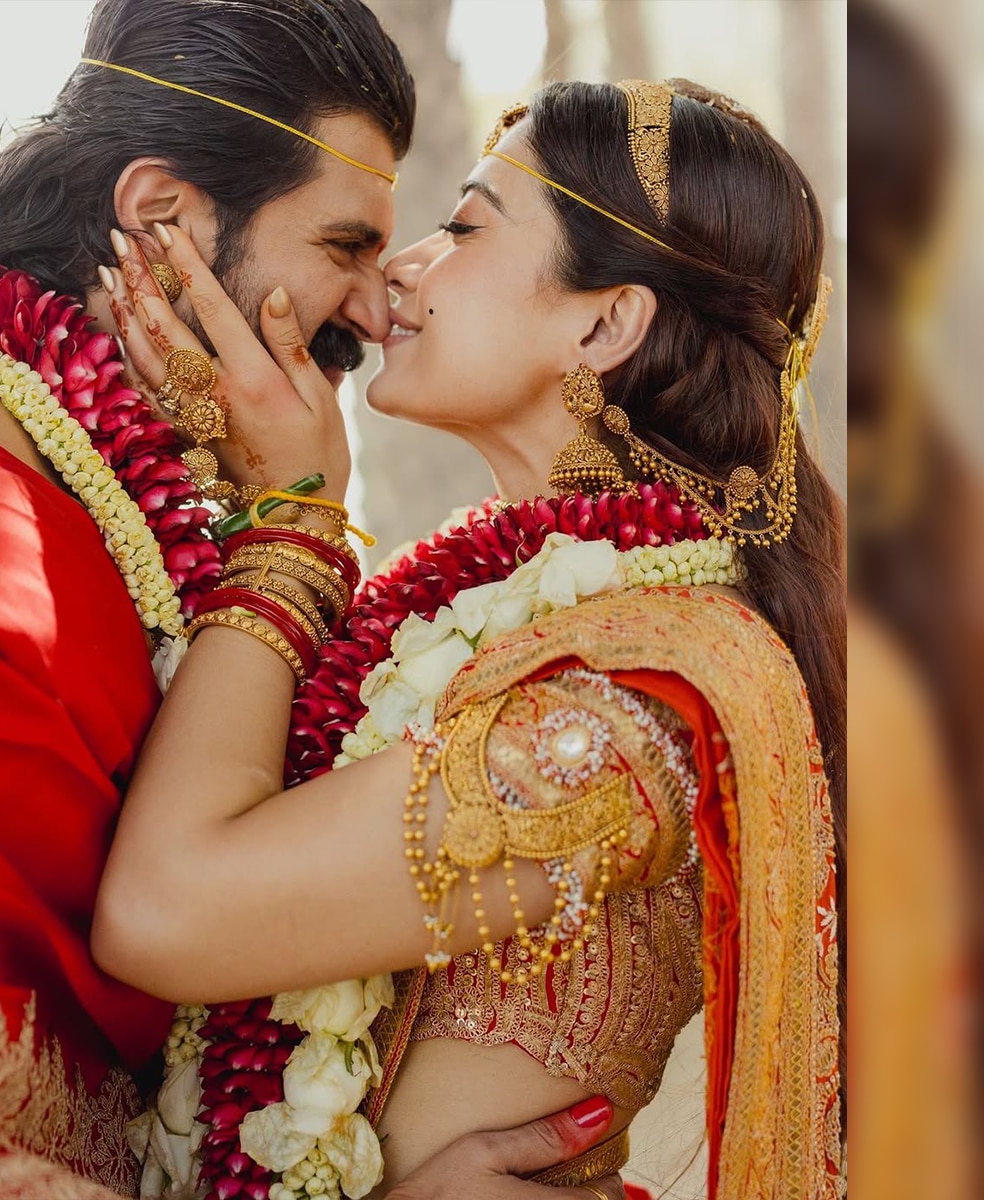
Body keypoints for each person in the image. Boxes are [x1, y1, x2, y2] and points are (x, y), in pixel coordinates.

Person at [91, 79, 846, 1198]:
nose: (401, 268)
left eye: (465, 226)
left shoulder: (625, 711)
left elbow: (162, 914)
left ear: (604, 323)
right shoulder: (530, 613)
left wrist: (293, 525)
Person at [0, 1, 623, 1197]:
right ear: (161, 217)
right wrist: (297, 522)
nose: (376, 309)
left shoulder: (113, 521)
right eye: (345, 247)